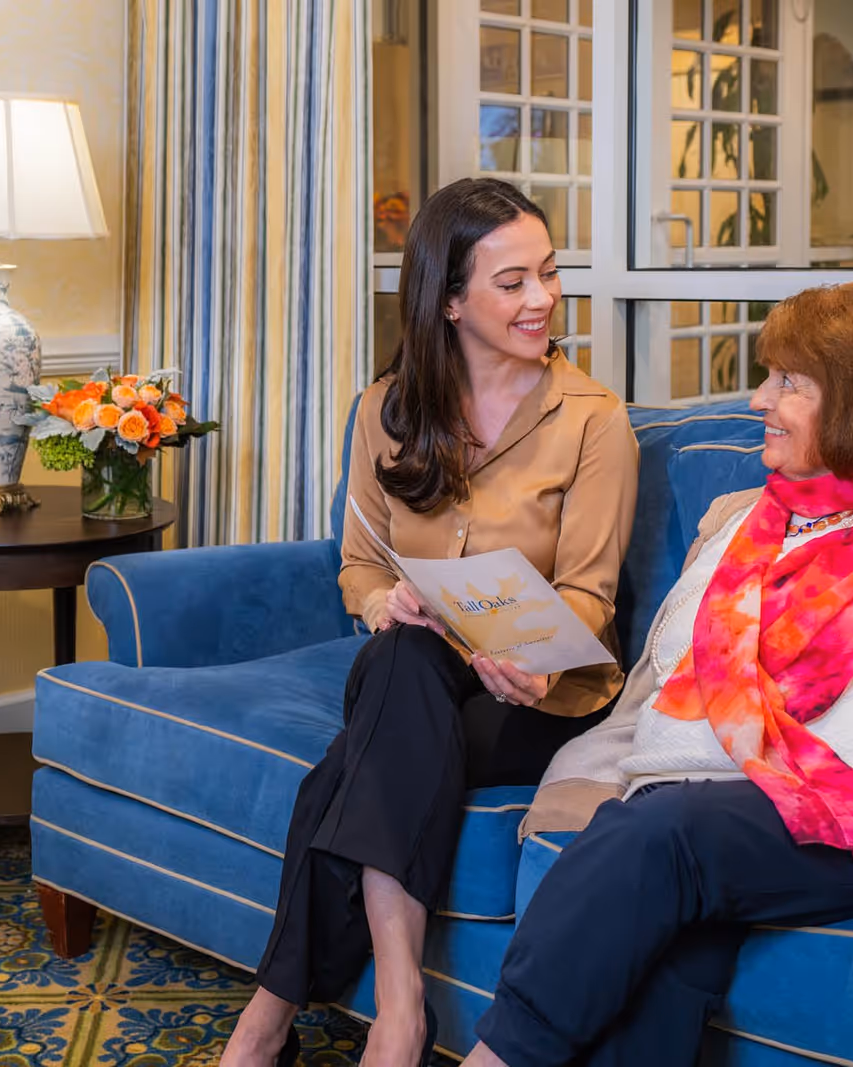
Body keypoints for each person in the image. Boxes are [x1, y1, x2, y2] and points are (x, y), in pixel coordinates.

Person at [459, 282, 853, 1067]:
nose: (759, 397)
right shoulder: (734, 521)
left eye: (788, 382)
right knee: (662, 940)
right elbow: (660, 682)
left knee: (661, 835)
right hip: (698, 809)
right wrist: (583, 791)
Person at [220, 178, 640, 1067]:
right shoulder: (385, 410)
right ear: (448, 301)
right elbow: (361, 567)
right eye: (513, 282)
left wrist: (536, 665)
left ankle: (268, 1021)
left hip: (540, 691)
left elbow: (592, 600)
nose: (544, 300)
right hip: (424, 671)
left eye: (549, 274)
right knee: (403, 654)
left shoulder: (596, 423)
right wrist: (384, 600)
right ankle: (403, 1011)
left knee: (340, 772)